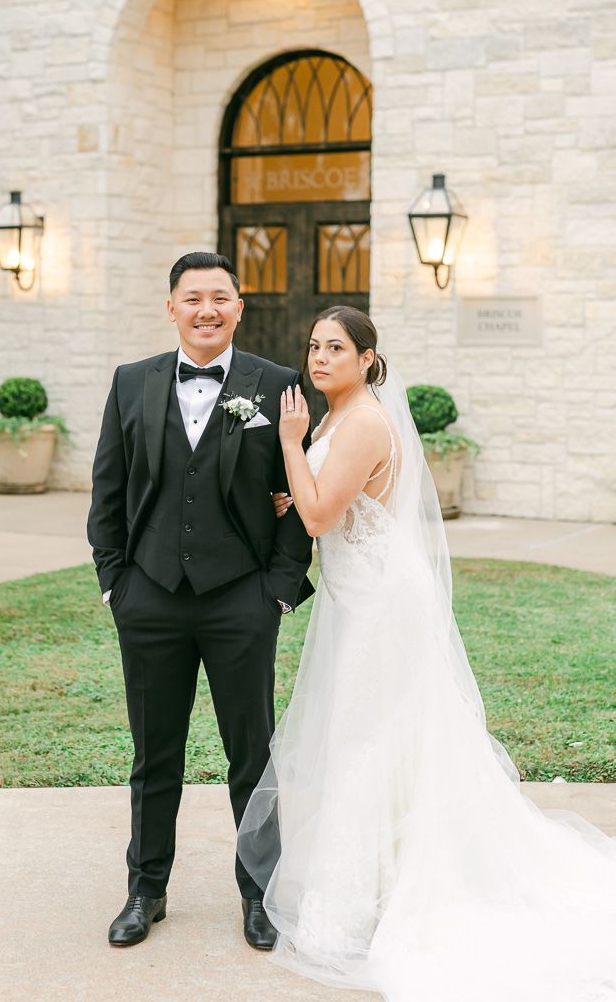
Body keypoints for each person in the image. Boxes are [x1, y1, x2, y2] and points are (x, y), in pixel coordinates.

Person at [238, 304, 616, 1002]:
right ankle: (383, 877)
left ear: (367, 360)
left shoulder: (363, 421)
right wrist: (302, 481)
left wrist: (291, 444)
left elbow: (320, 515)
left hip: (381, 602)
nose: (319, 358)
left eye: (335, 348)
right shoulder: (337, 417)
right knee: (376, 737)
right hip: (359, 593)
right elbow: (332, 501)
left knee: (368, 739)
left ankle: (362, 902)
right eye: (314, 346)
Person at [87, 251, 314, 950]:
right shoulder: (131, 382)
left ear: (239, 308)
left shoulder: (278, 384)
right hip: (148, 598)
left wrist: (278, 591)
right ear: (172, 308)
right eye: (193, 298)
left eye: (220, 297)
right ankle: (145, 890)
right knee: (154, 754)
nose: (206, 310)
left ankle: (260, 896)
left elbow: (300, 492)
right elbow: (108, 490)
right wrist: (116, 582)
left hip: (240, 601)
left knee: (251, 756)